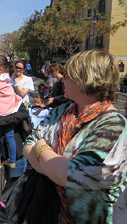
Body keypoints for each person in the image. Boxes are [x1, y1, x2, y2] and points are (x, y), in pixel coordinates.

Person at [23, 50, 127, 224]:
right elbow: (28, 143)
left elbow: (69, 174)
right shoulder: (62, 111)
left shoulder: (114, 126)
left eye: (66, 75)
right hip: (48, 213)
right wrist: (53, 167)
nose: (62, 79)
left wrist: (41, 148)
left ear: (84, 79)